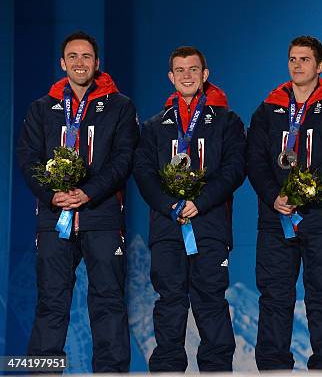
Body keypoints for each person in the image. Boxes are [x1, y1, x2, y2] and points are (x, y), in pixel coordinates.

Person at [16, 31, 137, 372]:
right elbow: (28, 159)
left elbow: (124, 158)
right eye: (73, 56)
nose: (80, 62)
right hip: (55, 219)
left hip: (102, 217)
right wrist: (50, 193)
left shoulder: (120, 106)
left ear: (97, 63)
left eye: (86, 57)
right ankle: (42, 372)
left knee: (108, 302)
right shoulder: (42, 108)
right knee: (51, 303)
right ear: (62, 63)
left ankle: (110, 372)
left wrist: (89, 191)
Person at [247, 35, 322, 370]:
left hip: (321, 215)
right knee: (274, 295)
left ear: (320, 66)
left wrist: (303, 193)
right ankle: (273, 364)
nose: (297, 66)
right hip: (275, 216)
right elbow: (254, 160)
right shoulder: (268, 110)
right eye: (292, 59)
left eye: (305, 60)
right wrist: (274, 196)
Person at [133, 46, 245, 372]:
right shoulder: (154, 127)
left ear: (205, 75)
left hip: (209, 224)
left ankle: (216, 368)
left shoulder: (226, 121)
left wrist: (200, 202)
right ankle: (167, 368)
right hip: (167, 227)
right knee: (169, 300)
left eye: (193, 69)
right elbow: (143, 173)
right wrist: (171, 205)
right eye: (179, 70)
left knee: (210, 299)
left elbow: (234, 168)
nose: (186, 76)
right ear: (171, 77)